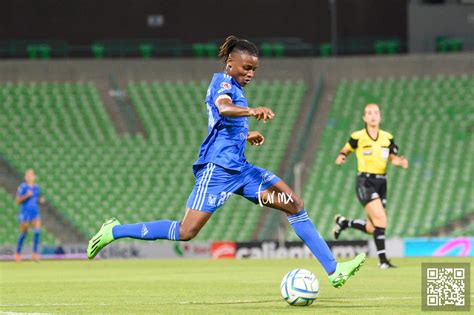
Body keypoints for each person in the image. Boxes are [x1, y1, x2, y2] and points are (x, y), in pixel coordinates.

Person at [87, 35, 365, 287]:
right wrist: (252, 111)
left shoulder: (236, 87)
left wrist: (246, 134)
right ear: (230, 63)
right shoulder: (220, 82)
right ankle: (115, 230)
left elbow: (222, 124)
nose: (251, 73)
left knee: (294, 204)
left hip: (241, 170)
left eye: (254, 69)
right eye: (246, 67)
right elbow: (223, 107)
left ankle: (333, 270)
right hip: (217, 170)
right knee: (186, 231)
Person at [333, 103, 408, 269]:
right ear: (364, 118)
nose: (373, 116)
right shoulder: (358, 136)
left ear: (380, 116)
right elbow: (345, 150)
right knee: (381, 219)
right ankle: (383, 262)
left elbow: (393, 157)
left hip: (382, 182)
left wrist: (399, 162)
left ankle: (344, 223)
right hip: (365, 182)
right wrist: (341, 156)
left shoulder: (387, 137)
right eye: (369, 113)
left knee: (372, 226)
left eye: (376, 112)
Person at [16, 169, 45, 262]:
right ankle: (18, 253)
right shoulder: (23, 187)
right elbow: (18, 200)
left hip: (34, 212)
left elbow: (35, 199)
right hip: (25, 212)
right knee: (24, 233)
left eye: (30, 175)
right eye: (27, 175)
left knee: (37, 231)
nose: (29, 177)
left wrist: (40, 201)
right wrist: (26, 195)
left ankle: (34, 254)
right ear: (25, 177)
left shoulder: (36, 187)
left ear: (34, 176)